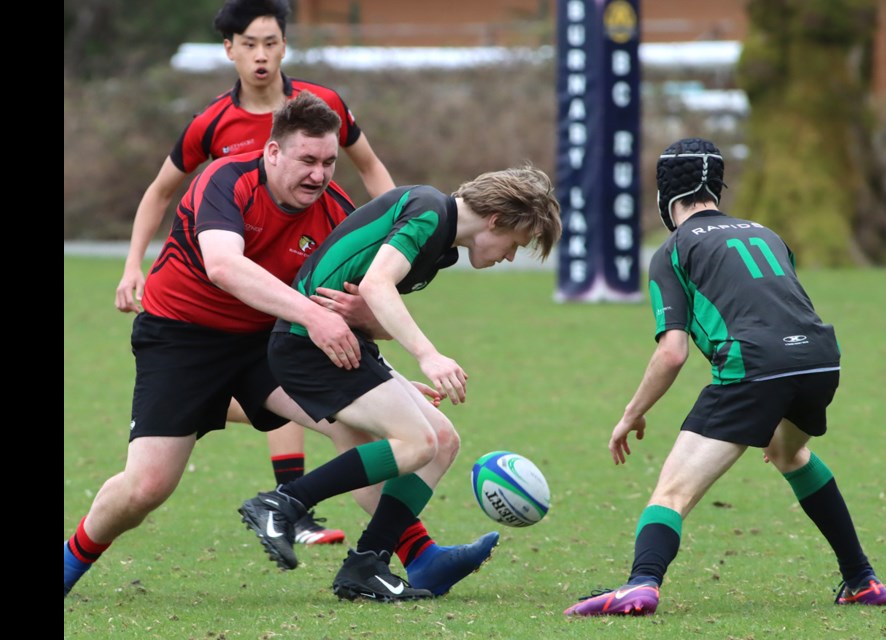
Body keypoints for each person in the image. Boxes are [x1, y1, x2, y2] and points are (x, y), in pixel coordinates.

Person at [64, 92, 497, 599]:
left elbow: (351, 314)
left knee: (365, 424)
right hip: (182, 341)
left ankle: (415, 557)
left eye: (329, 162)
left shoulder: (337, 211)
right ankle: (70, 562)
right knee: (146, 488)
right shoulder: (226, 179)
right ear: (273, 153)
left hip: (268, 342)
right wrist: (315, 314)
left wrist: (391, 382)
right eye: (307, 160)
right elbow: (223, 267)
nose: (319, 174)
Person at [564, 138, 886, 617]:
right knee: (787, 450)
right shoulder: (766, 233)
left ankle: (641, 584)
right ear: (717, 186)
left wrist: (631, 414)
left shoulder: (672, 250)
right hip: (820, 359)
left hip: (754, 367)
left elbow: (672, 354)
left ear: (664, 196)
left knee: (672, 492)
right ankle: (862, 579)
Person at [113, 0, 392, 546]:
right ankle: (220, 420)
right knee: (146, 484)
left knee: (350, 410)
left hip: (281, 300)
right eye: (249, 44)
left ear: (285, 44)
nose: (261, 56)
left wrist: (395, 248)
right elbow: (162, 192)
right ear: (229, 50)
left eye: (270, 42)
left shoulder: (323, 106)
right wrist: (132, 264)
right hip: (206, 307)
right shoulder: (212, 124)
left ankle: (382, 541)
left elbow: (373, 171)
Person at [238, 166, 563, 601]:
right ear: (497, 219)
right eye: (515, 245)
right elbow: (376, 285)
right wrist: (428, 356)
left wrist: (394, 376)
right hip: (309, 344)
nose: (508, 256)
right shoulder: (429, 210)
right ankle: (283, 503)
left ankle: (367, 564)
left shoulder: (442, 245)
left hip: (343, 346)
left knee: (443, 440)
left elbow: (364, 303)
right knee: (417, 443)